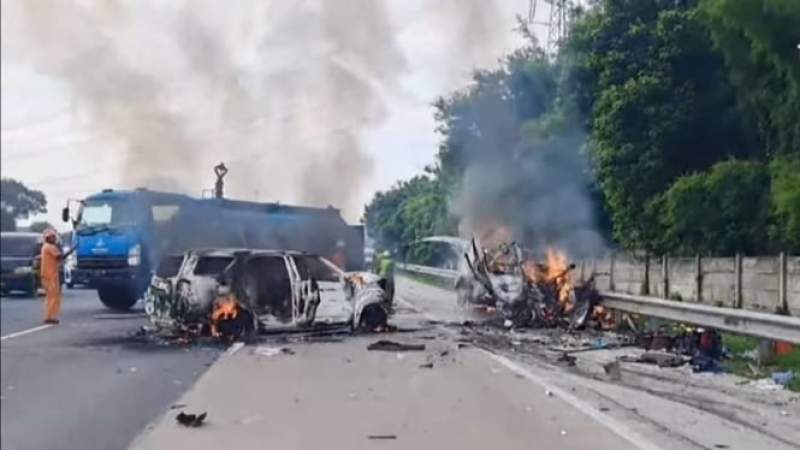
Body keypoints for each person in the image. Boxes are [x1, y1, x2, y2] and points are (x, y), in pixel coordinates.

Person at [39, 229, 75, 324]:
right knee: (53, 297)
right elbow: (60, 257)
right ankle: (50, 317)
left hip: (49, 274)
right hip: (49, 275)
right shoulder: (50, 247)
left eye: (53, 237)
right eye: (52, 237)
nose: (53, 239)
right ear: (48, 238)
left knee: (52, 297)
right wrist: (71, 251)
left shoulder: (45, 247)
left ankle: (51, 316)